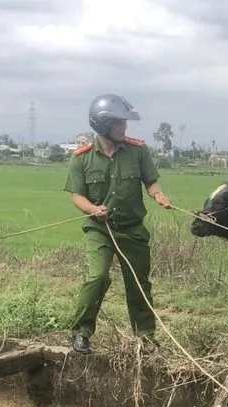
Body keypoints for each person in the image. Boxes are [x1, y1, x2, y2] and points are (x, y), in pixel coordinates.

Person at [63, 94, 172, 354]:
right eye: (119, 124)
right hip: (99, 229)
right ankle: (81, 332)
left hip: (132, 229)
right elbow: (77, 196)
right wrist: (92, 209)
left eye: (124, 123)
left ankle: (145, 337)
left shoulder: (138, 151)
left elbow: (150, 181)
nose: (124, 128)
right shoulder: (82, 157)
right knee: (97, 276)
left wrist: (158, 195)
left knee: (138, 283)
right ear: (102, 126)